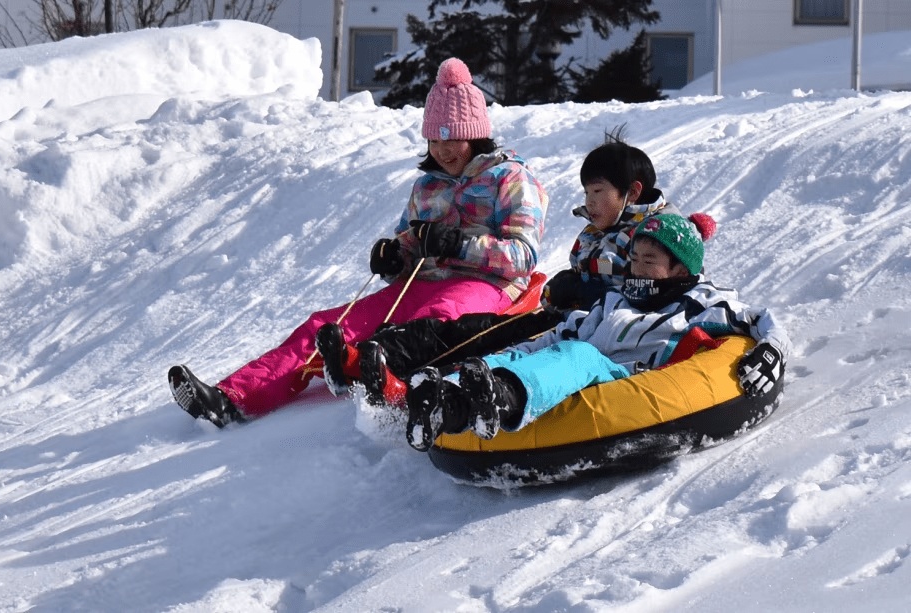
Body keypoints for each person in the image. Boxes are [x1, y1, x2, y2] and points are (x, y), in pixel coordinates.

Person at [167, 57, 548, 428]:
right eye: (434, 139)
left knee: (433, 321)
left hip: (485, 287)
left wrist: (459, 244)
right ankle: (232, 400)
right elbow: (410, 242)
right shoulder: (427, 185)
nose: (443, 150)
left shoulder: (510, 178)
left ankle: (378, 376)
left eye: (453, 139)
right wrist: (394, 256)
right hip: (421, 283)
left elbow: (523, 257)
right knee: (327, 325)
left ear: (476, 134)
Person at [315, 127, 681, 408]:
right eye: (586, 193)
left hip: (591, 334)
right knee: (463, 331)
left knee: (489, 347)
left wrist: (589, 292)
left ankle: (416, 391)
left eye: (597, 192)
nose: (589, 202)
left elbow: (659, 295)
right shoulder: (598, 232)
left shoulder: (657, 238)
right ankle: (367, 359)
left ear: (631, 193)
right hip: (563, 318)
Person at [402, 213, 792, 451]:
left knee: (581, 356)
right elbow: (558, 337)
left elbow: (760, 319)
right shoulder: (615, 301)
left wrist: (772, 350)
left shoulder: (702, 301)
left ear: (679, 270)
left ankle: (501, 398)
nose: (637, 268)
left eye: (650, 261)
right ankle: (450, 401)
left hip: (631, 383)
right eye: (635, 258)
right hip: (574, 375)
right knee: (542, 348)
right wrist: (496, 360)